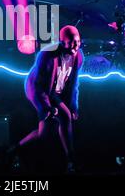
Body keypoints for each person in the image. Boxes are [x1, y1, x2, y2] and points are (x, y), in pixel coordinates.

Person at [10, 25, 83, 173]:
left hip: (54, 91)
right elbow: (39, 86)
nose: (75, 45)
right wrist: (46, 107)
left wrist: (74, 105)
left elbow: (74, 83)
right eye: (71, 42)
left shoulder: (79, 56)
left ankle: (15, 150)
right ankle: (71, 160)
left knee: (45, 133)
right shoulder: (47, 55)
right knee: (63, 117)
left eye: (78, 41)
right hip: (37, 90)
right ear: (62, 42)